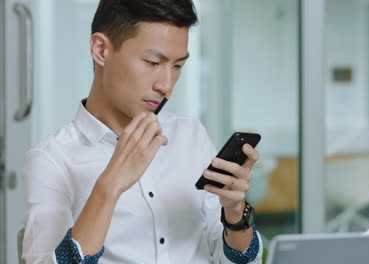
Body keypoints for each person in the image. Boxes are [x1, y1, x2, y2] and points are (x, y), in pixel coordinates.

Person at [21, 0, 262, 263]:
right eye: (152, 62)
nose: (166, 85)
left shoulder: (190, 134)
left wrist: (236, 215)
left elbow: (236, 258)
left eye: (178, 66)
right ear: (101, 49)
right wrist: (110, 185)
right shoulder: (52, 159)